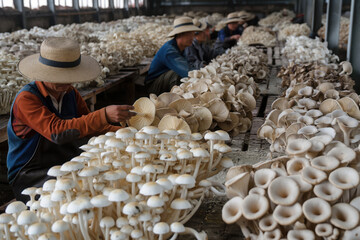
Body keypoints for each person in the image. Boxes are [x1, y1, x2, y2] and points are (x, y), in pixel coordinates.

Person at [7, 37, 136, 203]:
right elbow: (56, 131)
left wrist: (127, 133)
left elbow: (90, 126)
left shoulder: (70, 94)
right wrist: (103, 115)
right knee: (78, 193)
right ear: (44, 72)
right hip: (30, 174)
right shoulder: (26, 99)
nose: (66, 82)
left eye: (69, 76)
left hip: (65, 164)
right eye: (59, 76)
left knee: (101, 182)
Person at [145, 16, 200, 95]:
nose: (192, 37)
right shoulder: (169, 51)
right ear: (180, 35)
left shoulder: (181, 48)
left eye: (193, 34)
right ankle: (175, 98)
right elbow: (186, 71)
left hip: (162, 82)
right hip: (153, 86)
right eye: (189, 34)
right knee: (176, 74)